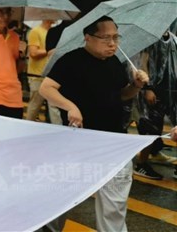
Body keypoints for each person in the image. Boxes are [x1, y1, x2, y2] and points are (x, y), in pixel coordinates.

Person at [39, 16, 149, 232]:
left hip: (113, 140)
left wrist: (135, 86)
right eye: (105, 38)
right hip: (78, 141)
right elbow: (46, 88)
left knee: (114, 204)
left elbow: (121, 95)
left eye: (116, 38)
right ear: (87, 38)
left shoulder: (115, 62)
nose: (112, 44)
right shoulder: (70, 60)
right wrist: (70, 106)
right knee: (62, 196)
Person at [133, 29, 177, 180]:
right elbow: (142, 63)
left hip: (171, 90)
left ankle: (155, 152)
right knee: (150, 129)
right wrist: (147, 89)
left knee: (169, 127)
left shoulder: (172, 38)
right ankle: (141, 163)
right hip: (154, 91)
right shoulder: (149, 38)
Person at [25, 20, 55, 122]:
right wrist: (50, 50)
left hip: (49, 75)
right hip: (37, 75)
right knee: (35, 106)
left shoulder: (54, 32)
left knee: (53, 107)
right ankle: (27, 127)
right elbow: (33, 53)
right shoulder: (35, 31)